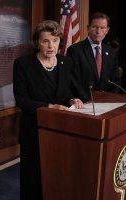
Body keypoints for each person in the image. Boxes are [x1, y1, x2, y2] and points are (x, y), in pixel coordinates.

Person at [13, 20, 85, 200]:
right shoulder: (23, 64)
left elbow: (66, 92)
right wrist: (49, 107)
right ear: (37, 42)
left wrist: (72, 100)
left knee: (57, 178)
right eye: (45, 41)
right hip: (34, 132)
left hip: (60, 131)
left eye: (54, 40)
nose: (51, 45)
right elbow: (21, 100)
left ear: (60, 41)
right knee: (33, 180)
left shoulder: (66, 62)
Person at [66, 12, 121, 100]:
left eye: (102, 28)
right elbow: (73, 81)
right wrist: (89, 100)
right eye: (95, 27)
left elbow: (115, 80)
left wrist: (109, 98)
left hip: (106, 104)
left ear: (107, 30)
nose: (98, 31)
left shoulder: (111, 52)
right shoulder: (75, 50)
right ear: (88, 28)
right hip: (84, 103)